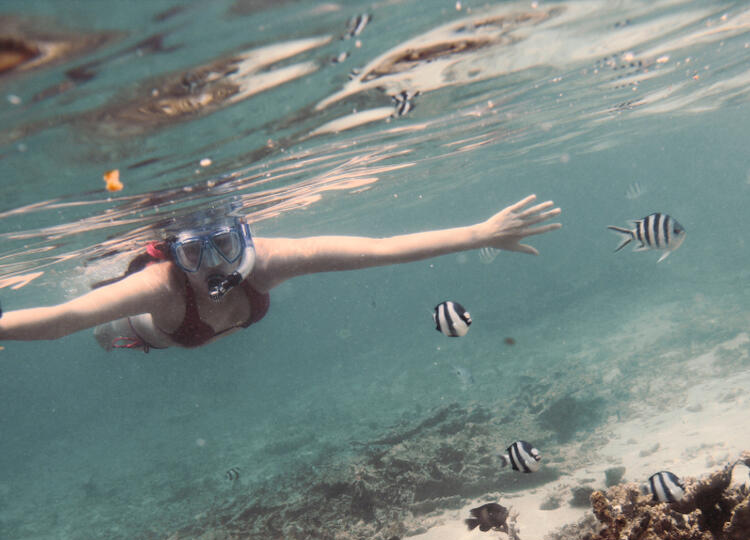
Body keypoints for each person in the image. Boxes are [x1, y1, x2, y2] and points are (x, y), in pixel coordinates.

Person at [0, 195, 561, 351]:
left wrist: (478, 234)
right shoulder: (161, 286)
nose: (214, 264)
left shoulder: (269, 260)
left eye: (224, 243)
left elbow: (379, 248)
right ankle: (111, 299)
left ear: (244, 235)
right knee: (105, 324)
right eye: (195, 252)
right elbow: (60, 319)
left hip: (216, 322)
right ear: (174, 254)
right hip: (153, 333)